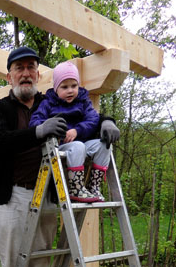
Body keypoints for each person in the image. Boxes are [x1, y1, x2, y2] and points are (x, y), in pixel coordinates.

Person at [0, 46, 68, 267]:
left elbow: (81, 108)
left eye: (31, 67)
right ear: (9, 76)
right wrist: (38, 132)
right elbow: (0, 141)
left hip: (45, 193)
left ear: (38, 74)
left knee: (41, 255)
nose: (25, 73)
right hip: (13, 194)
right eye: (19, 68)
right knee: (13, 257)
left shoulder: (51, 103)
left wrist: (106, 121)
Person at [29, 60, 120, 202]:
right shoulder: (47, 103)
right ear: (56, 88)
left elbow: (93, 120)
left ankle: (93, 186)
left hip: (81, 142)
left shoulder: (83, 101)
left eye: (74, 85)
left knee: (104, 145)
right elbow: (35, 122)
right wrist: (49, 127)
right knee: (78, 146)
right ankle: (76, 188)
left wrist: (77, 131)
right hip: (59, 145)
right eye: (64, 87)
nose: (70, 90)